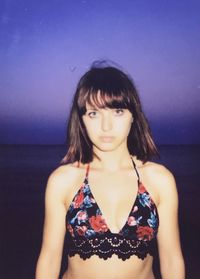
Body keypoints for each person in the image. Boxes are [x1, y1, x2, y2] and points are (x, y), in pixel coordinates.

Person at [36, 62, 185, 279]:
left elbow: (172, 259)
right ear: (82, 119)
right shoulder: (64, 180)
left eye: (117, 111)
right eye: (94, 113)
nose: (106, 126)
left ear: (133, 115)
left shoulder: (159, 179)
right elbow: (49, 259)